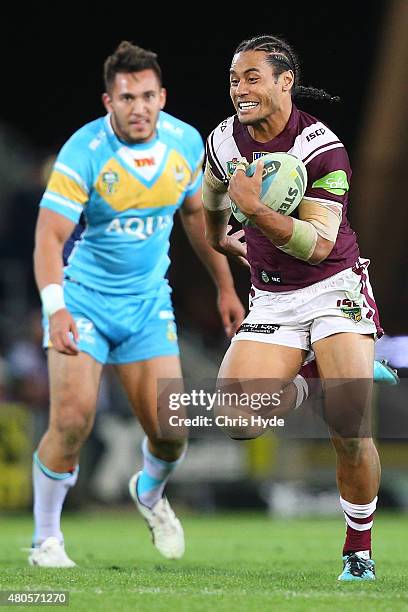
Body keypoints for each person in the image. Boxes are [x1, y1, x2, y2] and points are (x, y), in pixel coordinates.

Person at [29, 41, 245, 568]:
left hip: (148, 306)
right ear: (109, 101)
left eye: (148, 95)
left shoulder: (185, 144)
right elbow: (48, 239)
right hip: (84, 303)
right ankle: (46, 542)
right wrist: (57, 309)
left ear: (162, 95)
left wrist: (224, 286)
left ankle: (148, 493)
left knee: (172, 436)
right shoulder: (83, 152)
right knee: (73, 421)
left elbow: (196, 219)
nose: (139, 107)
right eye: (127, 97)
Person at [203, 34, 385, 581]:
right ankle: (310, 373)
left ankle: (358, 551)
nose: (240, 89)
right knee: (236, 420)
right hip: (274, 297)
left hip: (334, 287)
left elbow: (319, 244)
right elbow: (212, 193)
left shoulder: (321, 148)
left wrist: (255, 213)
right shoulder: (224, 140)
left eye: (252, 77)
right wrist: (219, 238)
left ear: (285, 81)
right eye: (235, 79)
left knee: (348, 426)